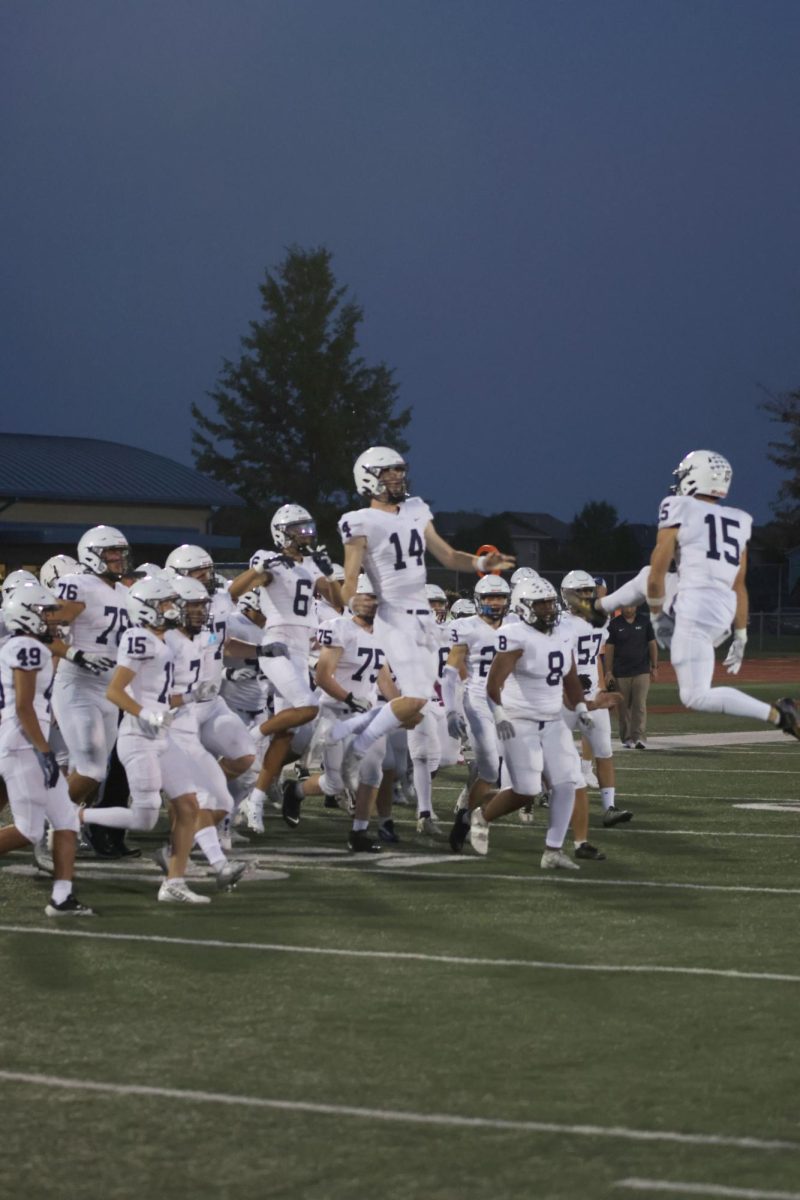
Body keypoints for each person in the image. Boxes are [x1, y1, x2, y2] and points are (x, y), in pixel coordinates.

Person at [336, 446, 514, 835]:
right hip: (392, 614)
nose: (398, 478)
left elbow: (449, 556)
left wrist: (482, 564)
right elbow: (350, 576)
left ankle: (356, 740)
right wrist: (349, 599)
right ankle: (355, 750)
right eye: (389, 472)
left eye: (400, 471)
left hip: (421, 617)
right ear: (368, 477)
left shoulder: (416, 508)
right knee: (415, 700)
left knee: (416, 712)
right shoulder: (358, 520)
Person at [648, 449, 799, 738]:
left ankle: (780, 715)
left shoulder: (678, 506)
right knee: (699, 691)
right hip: (723, 613)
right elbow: (739, 584)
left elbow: (658, 569)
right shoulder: (738, 519)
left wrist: (656, 615)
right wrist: (741, 633)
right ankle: (781, 715)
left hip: (693, 606)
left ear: (694, 477)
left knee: (694, 697)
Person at [0, 582, 93, 916]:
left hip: (25, 739)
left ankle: (62, 898)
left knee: (66, 820)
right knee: (29, 829)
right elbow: (25, 706)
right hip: (22, 743)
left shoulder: (23, 644)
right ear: (25, 614)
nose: (53, 617)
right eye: (45, 611)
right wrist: (43, 749)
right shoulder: (28, 647)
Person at [603, 604, 659, 749]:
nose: (629, 609)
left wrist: (654, 666)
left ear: (636, 606)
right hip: (620, 672)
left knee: (639, 705)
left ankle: (639, 737)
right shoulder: (614, 624)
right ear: (621, 608)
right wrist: (608, 671)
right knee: (623, 708)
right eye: (626, 607)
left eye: (631, 606)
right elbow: (609, 648)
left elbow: (652, 643)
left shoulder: (644, 622)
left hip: (641, 670)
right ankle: (627, 737)